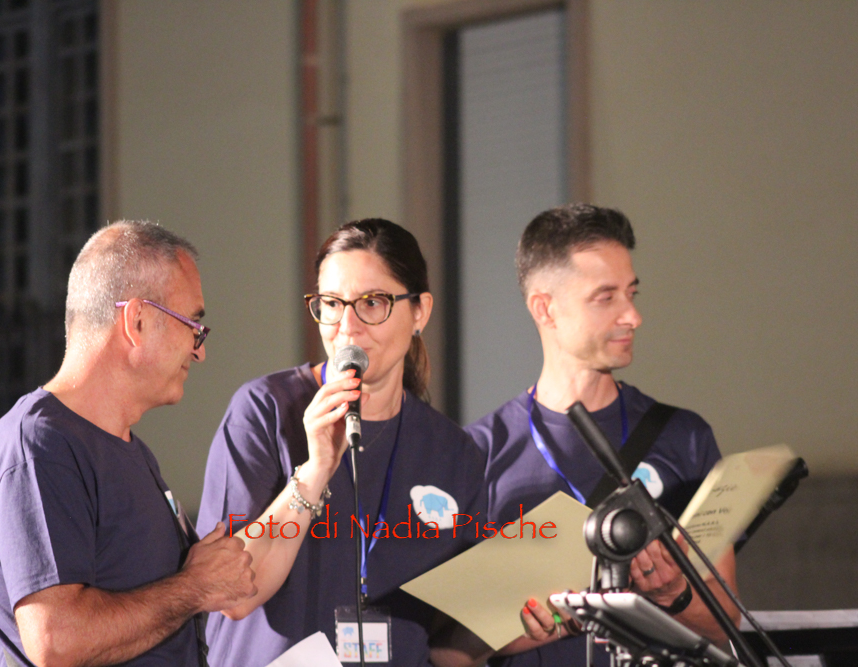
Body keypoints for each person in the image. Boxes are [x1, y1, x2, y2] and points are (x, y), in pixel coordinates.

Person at [197, 218, 487, 667]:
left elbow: (450, 635)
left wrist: (523, 619)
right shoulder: (265, 410)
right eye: (331, 303)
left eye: (372, 303)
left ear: (420, 312)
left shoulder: (452, 451)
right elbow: (230, 595)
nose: (347, 327)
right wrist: (314, 472)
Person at [0, 221, 257, 667]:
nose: (199, 351)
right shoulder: (38, 448)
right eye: (193, 325)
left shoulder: (130, 451)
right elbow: (56, 642)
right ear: (136, 321)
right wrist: (195, 586)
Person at [465, 204, 741, 666]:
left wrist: (673, 594)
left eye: (631, 293)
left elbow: (727, 623)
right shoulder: (478, 452)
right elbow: (447, 649)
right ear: (545, 309)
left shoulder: (685, 437)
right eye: (605, 297)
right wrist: (557, 620)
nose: (633, 315)